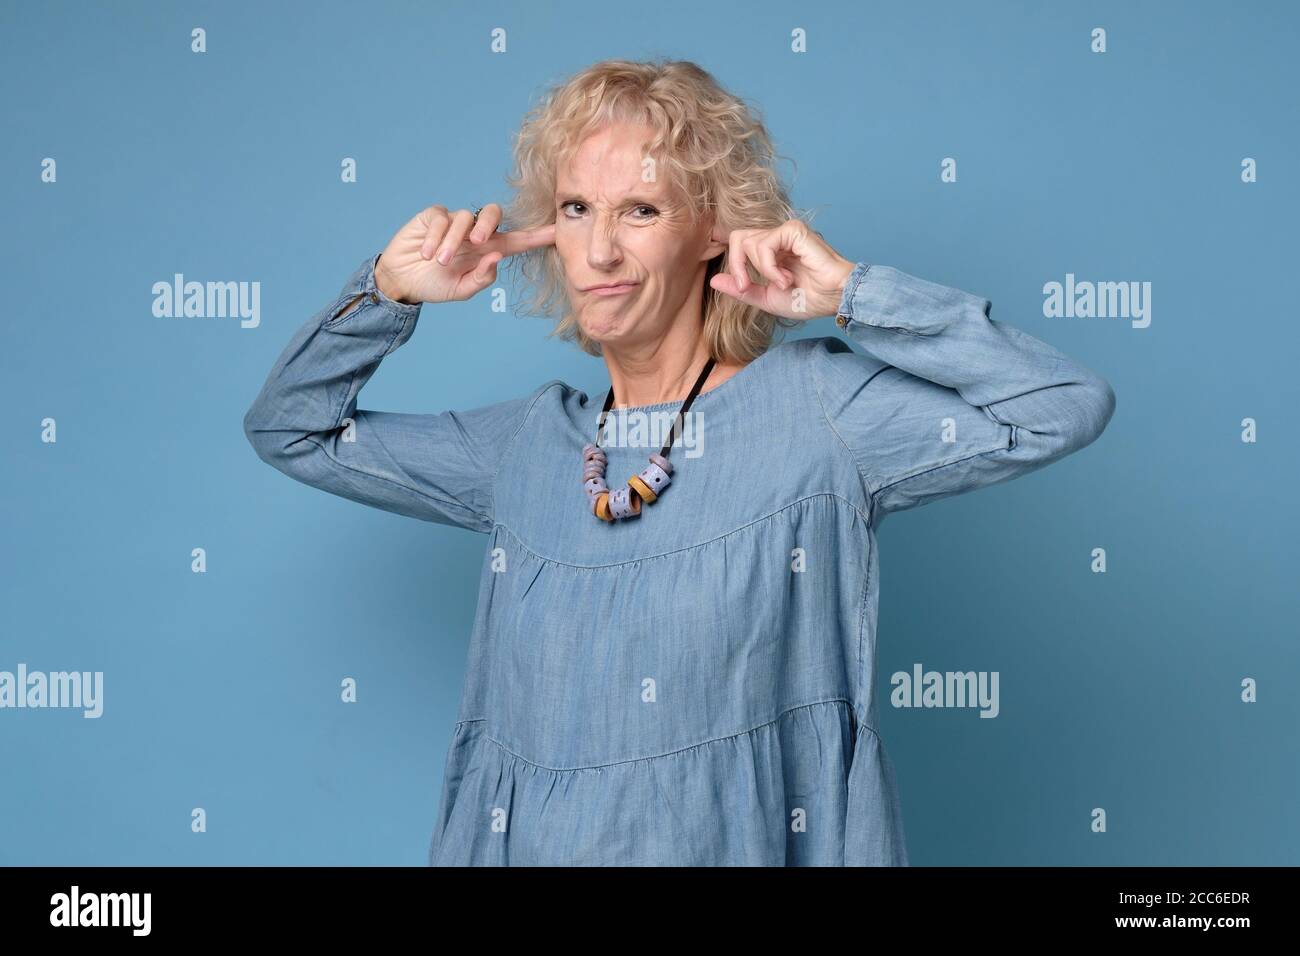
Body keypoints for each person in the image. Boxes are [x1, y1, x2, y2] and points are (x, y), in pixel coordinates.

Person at [242, 59, 1115, 866]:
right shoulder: (529, 451)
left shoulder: (817, 417)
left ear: (713, 231)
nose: (599, 253)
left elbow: (1059, 406)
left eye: (642, 211)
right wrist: (387, 295)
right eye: (578, 209)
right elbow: (293, 430)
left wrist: (851, 294)